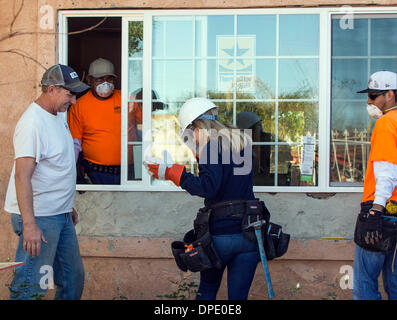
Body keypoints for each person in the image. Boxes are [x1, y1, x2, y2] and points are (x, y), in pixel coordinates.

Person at [145, 97, 265, 300]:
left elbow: (209, 188)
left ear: (196, 126)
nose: (190, 139)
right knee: (239, 298)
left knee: (207, 292)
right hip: (248, 233)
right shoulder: (241, 143)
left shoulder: (210, 145)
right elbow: (232, 182)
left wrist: (176, 174)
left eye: (189, 134)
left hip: (221, 235)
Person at [4, 64, 88, 299]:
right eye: (69, 94)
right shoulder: (33, 123)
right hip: (39, 217)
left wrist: (66, 204)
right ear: (51, 89)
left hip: (60, 214)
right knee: (32, 283)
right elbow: (23, 176)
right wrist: (30, 225)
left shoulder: (57, 116)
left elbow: (57, 165)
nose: (73, 100)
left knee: (73, 279)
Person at [354, 70, 397, 300]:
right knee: (395, 285)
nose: (369, 101)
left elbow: (387, 173)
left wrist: (375, 211)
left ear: (390, 95)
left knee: (364, 286)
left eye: (373, 95)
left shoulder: (385, 123)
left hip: (382, 213)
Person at [67, 58, 122, 185]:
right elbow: (74, 145)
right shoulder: (79, 106)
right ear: (89, 80)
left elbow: (145, 126)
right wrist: (74, 173)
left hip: (128, 172)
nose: (106, 83)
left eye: (110, 79)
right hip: (96, 172)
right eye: (100, 79)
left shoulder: (125, 99)